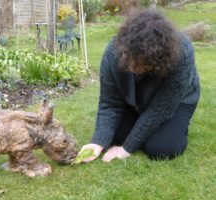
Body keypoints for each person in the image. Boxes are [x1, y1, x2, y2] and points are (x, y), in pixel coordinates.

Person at [80, 9, 200, 162]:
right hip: (138, 101)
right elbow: (110, 104)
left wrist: (127, 147)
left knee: (161, 148)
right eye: (130, 59)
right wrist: (98, 142)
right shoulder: (113, 53)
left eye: (140, 62)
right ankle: (146, 123)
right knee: (114, 135)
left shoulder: (182, 53)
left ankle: (179, 124)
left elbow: (160, 108)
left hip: (177, 102)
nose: (131, 66)